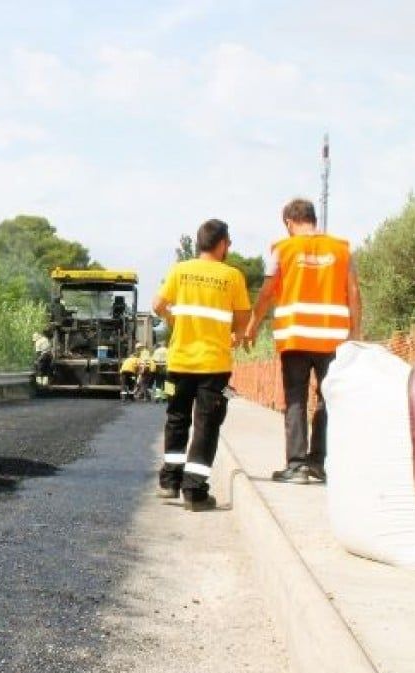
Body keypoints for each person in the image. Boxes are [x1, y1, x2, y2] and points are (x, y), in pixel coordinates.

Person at [242, 198, 361, 484]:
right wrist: (356, 334)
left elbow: (268, 290)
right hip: (333, 341)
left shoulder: (283, 249)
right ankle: (318, 463)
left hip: (295, 339)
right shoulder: (341, 249)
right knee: (327, 400)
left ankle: (296, 466)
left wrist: (253, 325)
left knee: (295, 399)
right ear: (313, 219)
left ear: (288, 222)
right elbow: (354, 291)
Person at [153, 219, 251, 511]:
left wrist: (175, 320)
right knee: (206, 425)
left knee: (177, 418)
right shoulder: (232, 276)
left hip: (180, 361)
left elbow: (158, 305)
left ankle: (170, 481)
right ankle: (195, 492)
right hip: (214, 364)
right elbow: (243, 318)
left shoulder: (180, 271)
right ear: (221, 244)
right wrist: (235, 336)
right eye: (228, 243)